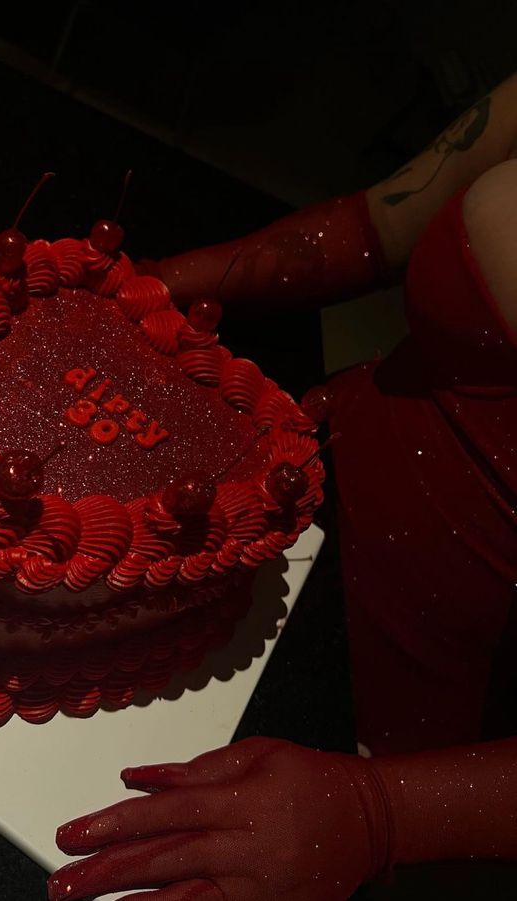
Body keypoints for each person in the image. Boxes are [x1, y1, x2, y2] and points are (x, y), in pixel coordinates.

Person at [45, 71, 517, 900]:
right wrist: (136, 288)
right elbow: (371, 230)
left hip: (433, 718)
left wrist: (383, 813)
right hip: (286, 489)